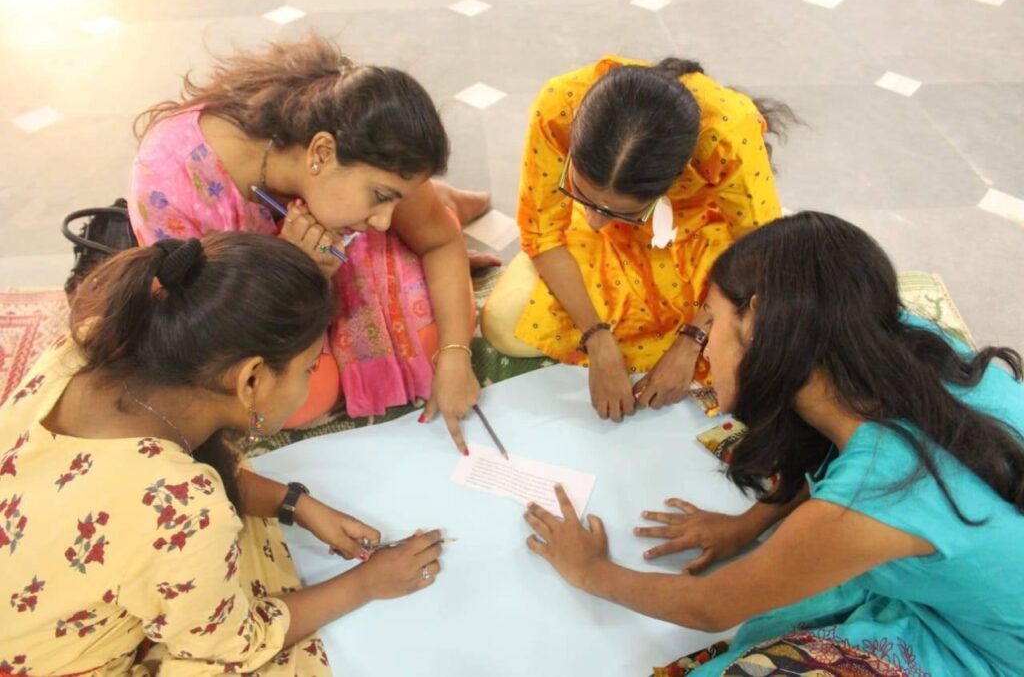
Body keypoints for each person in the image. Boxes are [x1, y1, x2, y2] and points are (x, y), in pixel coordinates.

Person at [523, 212, 1024, 675]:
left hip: (986, 652)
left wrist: (590, 570)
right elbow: (829, 458)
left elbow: (709, 606)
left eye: (711, 323)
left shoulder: (876, 493)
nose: (705, 347)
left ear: (756, 322)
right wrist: (746, 527)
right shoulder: (897, 340)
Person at [0, 234, 446, 675]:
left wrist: (295, 504)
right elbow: (231, 645)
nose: (310, 382)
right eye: (309, 368)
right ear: (251, 379)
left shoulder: (92, 345)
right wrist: (366, 584)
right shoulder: (185, 504)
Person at [129, 34, 485, 453]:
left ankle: (441, 201)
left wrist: (456, 354)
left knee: (427, 347)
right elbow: (203, 337)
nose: (383, 221)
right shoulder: (171, 182)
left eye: (395, 200)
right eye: (383, 197)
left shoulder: (369, 152)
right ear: (321, 151)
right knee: (292, 401)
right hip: (256, 303)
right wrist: (298, 267)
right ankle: (440, 200)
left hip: (336, 239)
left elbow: (441, 243)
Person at [482, 55, 790, 422]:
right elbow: (543, 233)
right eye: (581, 195)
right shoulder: (558, 106)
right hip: (597, 243)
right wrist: (596, 338)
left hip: (694, 235)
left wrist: (691, 341)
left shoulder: (727, 133)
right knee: (503, 324)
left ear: (674, 179)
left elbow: (758, 252)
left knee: (757, 345)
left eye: (619, 211)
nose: (595, 221)